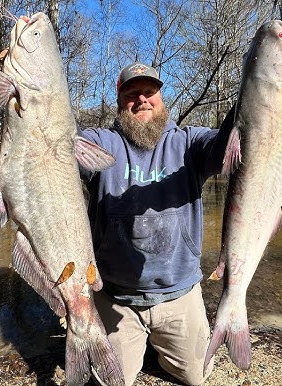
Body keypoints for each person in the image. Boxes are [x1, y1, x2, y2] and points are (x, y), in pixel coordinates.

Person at [79, 62, 233, 386]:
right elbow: (61, 153)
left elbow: (225, 148)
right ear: (120, 101)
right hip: (118, 297)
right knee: (110, 382)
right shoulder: (101, 143)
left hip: (178, 292)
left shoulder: (188, 142)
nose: (142, 100)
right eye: (132, 94)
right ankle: (136, 341)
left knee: (196, 376)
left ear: (162, 98)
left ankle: (161, 343)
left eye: (150, 92)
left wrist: (252, 95)